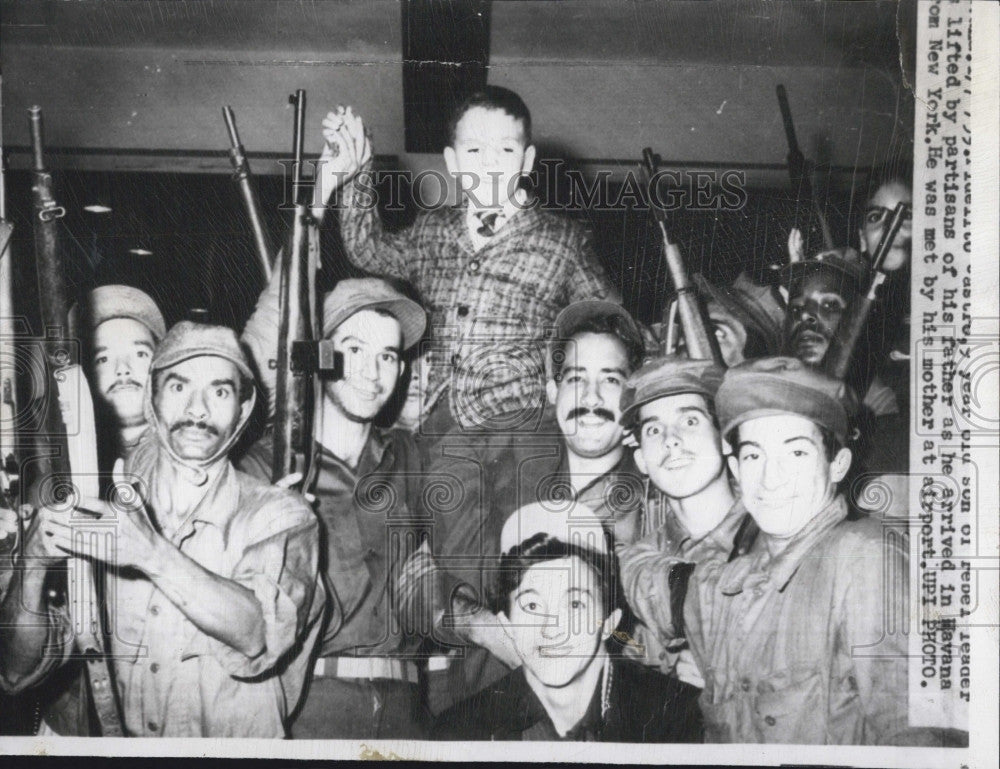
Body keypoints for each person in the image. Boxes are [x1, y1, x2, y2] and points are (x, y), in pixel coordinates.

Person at [0, 322, 325, 737]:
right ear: (152, 399)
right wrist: (31, 566)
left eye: (220, 391)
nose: (198, 409)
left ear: (242, 412)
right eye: (178, 387)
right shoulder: (96, 505)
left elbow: (257, 633)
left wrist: (150, 553)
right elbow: (14, 671)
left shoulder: (281, 514)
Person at [622, 357, 952, 745]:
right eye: (754, 455)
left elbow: (918, 737)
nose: (771, 477)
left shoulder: (863, 560)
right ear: (738, 466)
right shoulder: (737, 579)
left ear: (838, 464)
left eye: (796, 453)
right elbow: (641, 607)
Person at [311, 86, 620, 434]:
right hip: (440, 425)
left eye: (505, 149)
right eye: (474, 150)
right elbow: (366, 249)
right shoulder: (432, 228)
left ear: (527, 160)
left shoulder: (564, 240)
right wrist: (358, 169)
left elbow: (612, 323)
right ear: (453, 162)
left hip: (521, 426)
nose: (489, 163)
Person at [407, 300, 646, 715]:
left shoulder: (655, 484)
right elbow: (413, 578)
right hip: (494, 709)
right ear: (552, 391)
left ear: (634, 393)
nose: (590, 397)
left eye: (610, 380)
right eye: (575, 379)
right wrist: (484, 623)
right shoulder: (499, 462)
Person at [240, 277, 432, 739]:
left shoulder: (413, 458)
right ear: (321, 357)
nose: (372, 372)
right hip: (309, 704)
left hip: (408, 706)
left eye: (388, 355)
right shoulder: (264, 466)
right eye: (354, 349)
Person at [0, 284, 167, 736]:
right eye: (101, 357)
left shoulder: (201, 479)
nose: (124, 370)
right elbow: (15, 670)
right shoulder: (49, 492)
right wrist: (33, 567)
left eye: (140, 353)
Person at [433, 501, 703, 742]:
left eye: (575, 604)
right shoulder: (463, 733)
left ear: (610, 621)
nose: (551, 628)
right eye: (532, 605)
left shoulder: (676, 718)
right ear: (507, 626)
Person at [617, 357, 752, 687]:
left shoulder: (776, 526)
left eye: (689, 421)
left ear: (724, 437)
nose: (670, 439)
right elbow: (633, 644)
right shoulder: (638, 560)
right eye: (653, 429)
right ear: (641, 460)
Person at [780, 247, 907, 478]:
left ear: (864, 319)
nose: (805, 316)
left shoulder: (888, 424)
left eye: (829, 305)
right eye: (796, 308)